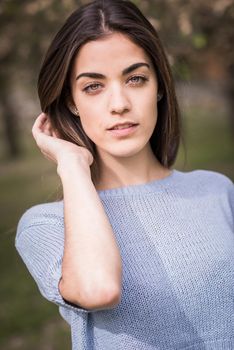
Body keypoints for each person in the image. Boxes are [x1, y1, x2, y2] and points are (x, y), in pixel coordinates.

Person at [15, 0, 234, 349]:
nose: (119, 103)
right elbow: (98, 289)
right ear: (71, 101)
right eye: (93, 86)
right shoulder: (46, 225)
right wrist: (71, 165)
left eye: (135, 79)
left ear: (159, 86)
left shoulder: (217, 191)